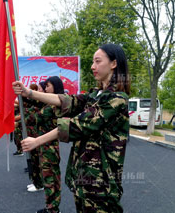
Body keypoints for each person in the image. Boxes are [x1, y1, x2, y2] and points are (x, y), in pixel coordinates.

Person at [13, 44, 130, 213]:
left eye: (98, 61)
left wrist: (37, 141)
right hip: (85, 179)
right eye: (92, 62)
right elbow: (68, 101)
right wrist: (29, 93)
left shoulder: (116, 99)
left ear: (113, 64)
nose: (92, 66)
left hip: (101, 184)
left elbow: (77, 124)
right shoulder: (95, 95)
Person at [34, 76, 64, 213]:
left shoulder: (53, 105)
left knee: (50, 179)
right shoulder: (49, 104)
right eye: (44, 86)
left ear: (55, 87)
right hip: (46, 147)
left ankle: (52, 209)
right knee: (51, 178)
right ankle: (51, 207)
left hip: (49, 148)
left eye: (48, 86)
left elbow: (35, 117)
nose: (45, 89)